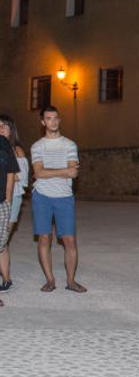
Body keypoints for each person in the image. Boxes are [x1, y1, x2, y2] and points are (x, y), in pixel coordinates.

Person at [30, 106, 86, 293]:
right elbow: (38, 173)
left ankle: (71, 281)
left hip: (64, 197)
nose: (52, 121)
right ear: (43, 122)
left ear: (59, 120)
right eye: (48, 118)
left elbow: (74, 173)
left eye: (55, 118)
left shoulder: (70, 145)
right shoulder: (37, 146)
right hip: (42, 197)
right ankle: (50, 280)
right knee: (45, 238)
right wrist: (64, 171)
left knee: (69, 240)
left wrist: (50, 172)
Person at [0, 115, 22, 300]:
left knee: (2, 242)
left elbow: (13, 175)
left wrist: (8, 200)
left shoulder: (10, 147)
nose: (0, 128)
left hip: (6, 200)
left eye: (4, 126)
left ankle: (6, 279)